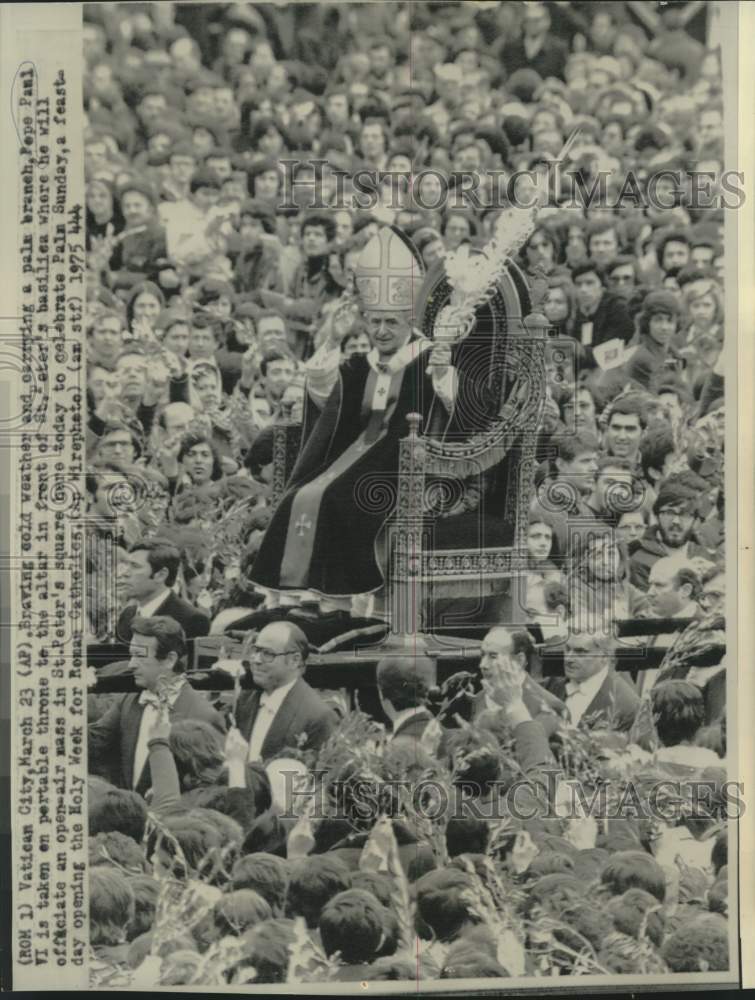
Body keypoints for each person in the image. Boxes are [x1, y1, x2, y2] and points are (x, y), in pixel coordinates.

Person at [249, 226, 465, 619]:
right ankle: (293, 596)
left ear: (409, 321)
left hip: (405, 463)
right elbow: (323, 396)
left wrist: (442, 376)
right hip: (355, 453)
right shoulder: (361, 362)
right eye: (375, 322)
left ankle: (336, 602)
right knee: (298, 494)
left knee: (337, 497)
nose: (381, 332)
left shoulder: (430, 357)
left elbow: (457, 411)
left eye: (391, 324)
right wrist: (332, 340)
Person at [88, 616, 225, 794]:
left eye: (139, 656)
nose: (131, 664)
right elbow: (95, 740)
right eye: (131, 655)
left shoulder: (203, 715)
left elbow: (212, 789)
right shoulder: (130, 700)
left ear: (169, 660)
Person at [234, 621, 338, 762]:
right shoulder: (245, 700)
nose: (256, 660)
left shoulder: (318, 716)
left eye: (268, 654)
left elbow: (319, 778)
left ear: (294, 660)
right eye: (256, 650)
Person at [544, 629, 640, 733]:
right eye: (567, 649)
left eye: (580, 652)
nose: (568, 658)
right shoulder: (554, 684)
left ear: (604, 656)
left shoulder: (626, 704)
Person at [116, 540, 210, 644]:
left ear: (161, 575)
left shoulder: (192, 620)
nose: (123, 573)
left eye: (135, 566)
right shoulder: (127, 614)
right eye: (126, 565)